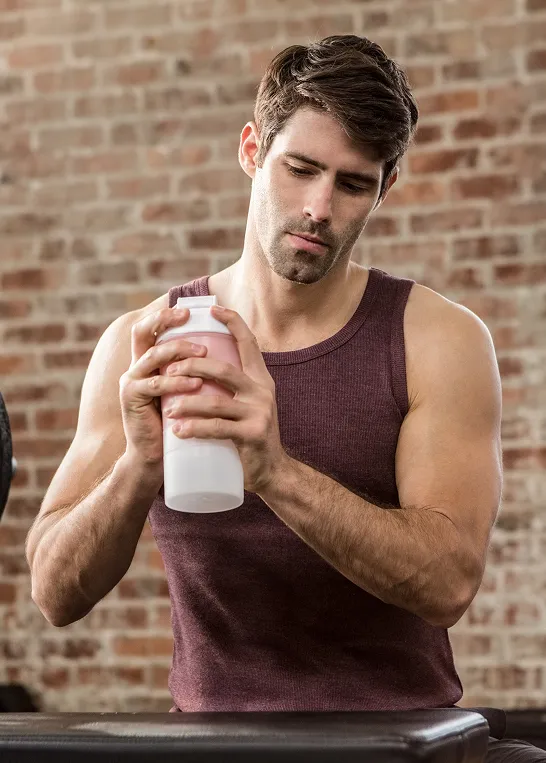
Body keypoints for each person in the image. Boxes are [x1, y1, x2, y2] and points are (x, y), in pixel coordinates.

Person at [25, 35, 544, 761]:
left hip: (393, 745)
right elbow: (53, 591)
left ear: (385, 189)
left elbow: (448, 579)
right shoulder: (144, 342)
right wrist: (139, 466)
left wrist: (273, 468)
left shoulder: (439, 340)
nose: (318, 207)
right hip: (212, 747)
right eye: (299, 169)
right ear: (251, 151)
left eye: (353, 183)